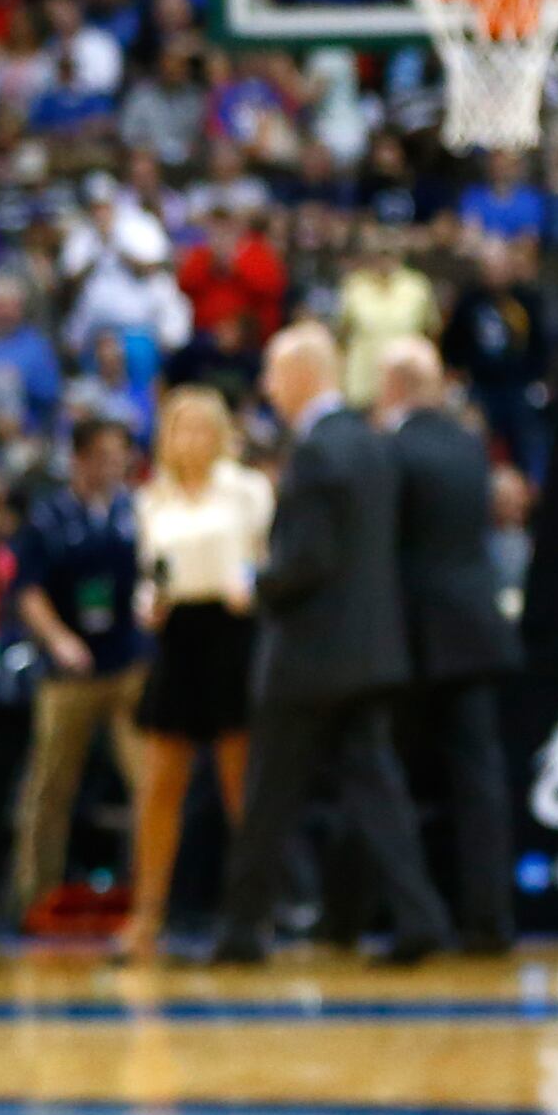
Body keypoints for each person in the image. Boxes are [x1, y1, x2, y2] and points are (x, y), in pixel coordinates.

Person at [208, 324, 454, 966]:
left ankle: (241, 931)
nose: (266, 386)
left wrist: (255, 585)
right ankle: (419, 916)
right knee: (379, 796)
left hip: (310, 660)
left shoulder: (317, 451)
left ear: (301, 374)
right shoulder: (374, 441)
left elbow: (308, 560)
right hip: (373, 652)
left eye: (272, 372)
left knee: (267, 800)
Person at [121, 388, 271, 959]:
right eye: (180, 427)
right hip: (177, 636)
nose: (192, 438)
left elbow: (262, 558)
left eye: (203, 427)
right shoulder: (150, 500)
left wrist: (250, 588)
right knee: (160, 786)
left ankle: (253, 916)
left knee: (241, 787)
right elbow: (148, 574)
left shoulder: (249, 491)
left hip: (232, 635)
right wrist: (147, 603)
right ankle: (145, 918)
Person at [383, 346, 522, 955]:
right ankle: (490, 921)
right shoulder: (472, 446)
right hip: (478, 630)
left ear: (395, 384)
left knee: (392, 781)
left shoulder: (393, 451)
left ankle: (412, 921)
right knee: (479, 782)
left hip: (415, 638)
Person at [8, 416, 147, 925]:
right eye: (105, 454)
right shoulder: (50, 517)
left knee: (148, 782)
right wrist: (58, 639)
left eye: (121, 455)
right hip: (68, 674)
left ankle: (151, 899)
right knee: (50, 785)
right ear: (81, 458)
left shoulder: (134, 511)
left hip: (126, 664)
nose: (115, 464)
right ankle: (33, 895)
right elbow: (26, 590)